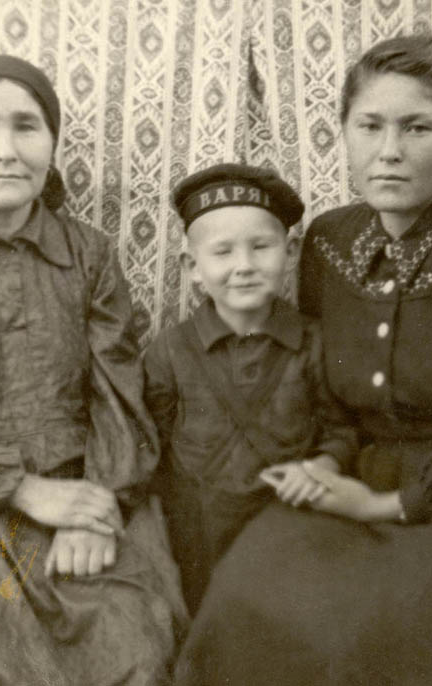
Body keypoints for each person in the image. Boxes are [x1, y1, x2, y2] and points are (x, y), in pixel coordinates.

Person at [173, 35, 432, 686]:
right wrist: (325, 466)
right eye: (370, 125)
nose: (389, 150)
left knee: (396, 632)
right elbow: (324, 392)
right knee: (245, 597)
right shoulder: (330, 239)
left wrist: (381, 507)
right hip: (349, 482)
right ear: (346, 133)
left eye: (418, 127)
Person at [0, 54, 186, 686]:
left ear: (51, 144)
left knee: (134, 650)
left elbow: (119, 394)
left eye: (26, 126)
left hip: (85, 484)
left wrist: (98, 504)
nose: (6, 151)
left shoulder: (89, 254)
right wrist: (22, 490)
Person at [143, 163, 357, 614]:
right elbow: (150, 447)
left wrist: (319, 468)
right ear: (191, 266)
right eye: (222, 252)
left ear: (291, 251)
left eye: (261, 247)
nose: (244, 266)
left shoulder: (317, 343)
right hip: (197, 537)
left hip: (289, 529)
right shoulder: (169, 351)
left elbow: (342, 430)